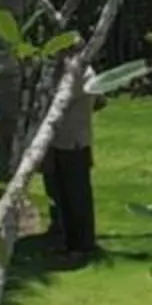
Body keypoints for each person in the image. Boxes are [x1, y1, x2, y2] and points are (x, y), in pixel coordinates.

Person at [45, 70, 99, 261]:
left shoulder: (81, 75)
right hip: (64, 141)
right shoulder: (76, 74)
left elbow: (58, 99)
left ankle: (81, 245)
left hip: (73, 142)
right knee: (65, 195)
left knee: (76, 197)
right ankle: (70, 243)